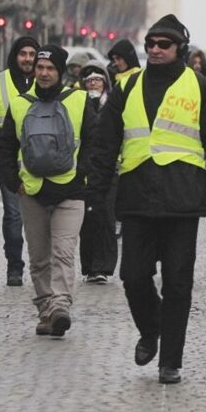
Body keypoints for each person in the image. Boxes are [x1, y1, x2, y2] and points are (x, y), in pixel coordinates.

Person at [87, 14, 206, 384]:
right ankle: (151, 329)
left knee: (178, 284)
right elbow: (106, 142)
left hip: (182, 200)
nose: (155, 49)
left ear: (179, 49)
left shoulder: (200, 86)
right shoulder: (128, 86)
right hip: (137, 197)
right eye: (151, 43)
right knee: (133, 277)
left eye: (163, 44)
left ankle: (171, 360)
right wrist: (95, 191)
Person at [0, 45, 96, 339]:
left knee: (63, 252)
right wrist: (13, 180)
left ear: (60, 71)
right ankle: (45, 311)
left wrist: (83, 175)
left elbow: (95, 141)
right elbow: (5, 148)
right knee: (39, 257)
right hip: (32, 190)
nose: (43, 73)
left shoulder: (79, 100)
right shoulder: (19, 104)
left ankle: (61, 306)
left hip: (71, 191)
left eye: (50, 69)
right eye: (39, 68)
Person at [0, 35, 39, 286]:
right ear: (15, 55)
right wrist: (0, 140)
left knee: (40, 218)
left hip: (42, 163)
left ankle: (41, 266)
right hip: (8, 162)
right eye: (23, 54)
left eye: (32, 54)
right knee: (13, 216)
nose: (28, 59)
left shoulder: (46, 79)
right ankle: (15, 267)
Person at [77, 64, 117, 284]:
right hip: (85, 170)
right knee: (88, 219)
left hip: (109, 169)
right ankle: (90, 267)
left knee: (106, 218)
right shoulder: (79, 104)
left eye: (97, 80)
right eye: (89, 81)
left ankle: (103, 266)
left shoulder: (112, 105)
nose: (93, 84)